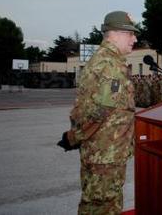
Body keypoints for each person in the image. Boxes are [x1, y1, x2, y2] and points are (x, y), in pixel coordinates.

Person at [57, 11, 138, 214]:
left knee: (100, 203)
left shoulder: (103, 60)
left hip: (104, 151)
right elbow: (98, 113)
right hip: (105, 154)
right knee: (101, 206)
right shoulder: (111, 66)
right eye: (131, 34)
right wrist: (73, 137)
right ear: (115, 34)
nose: (134, 39)